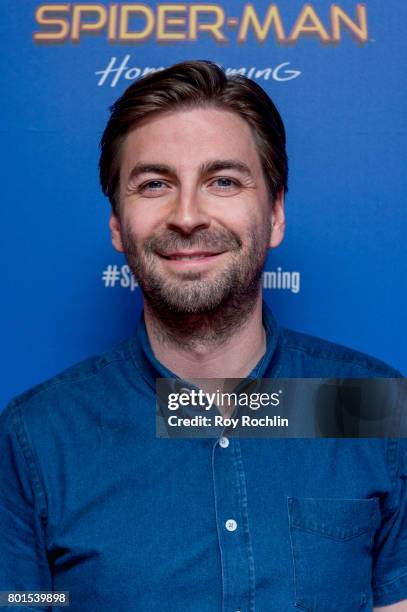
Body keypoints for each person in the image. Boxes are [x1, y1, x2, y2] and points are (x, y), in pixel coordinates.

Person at [0, 60, 406, 612]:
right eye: (154, 184)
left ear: (277, 213)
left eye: (223, 181)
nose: (187, 215)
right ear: (118, 225)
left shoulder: (374, 409)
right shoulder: (36, 439)